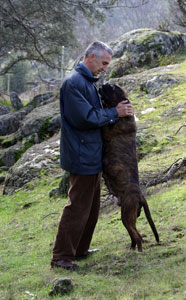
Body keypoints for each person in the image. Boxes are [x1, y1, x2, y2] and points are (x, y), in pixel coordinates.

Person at [51, 41, 134, 270]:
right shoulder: (73, 84)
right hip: (81, 155)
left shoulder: (87, 82)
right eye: (104, 63)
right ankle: (60, 257)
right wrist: (114, 113)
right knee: (77, 207)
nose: (105, 68)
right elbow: (85, 118)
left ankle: (79, 249)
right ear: (91, 57)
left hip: (91, 154)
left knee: (91, 207)